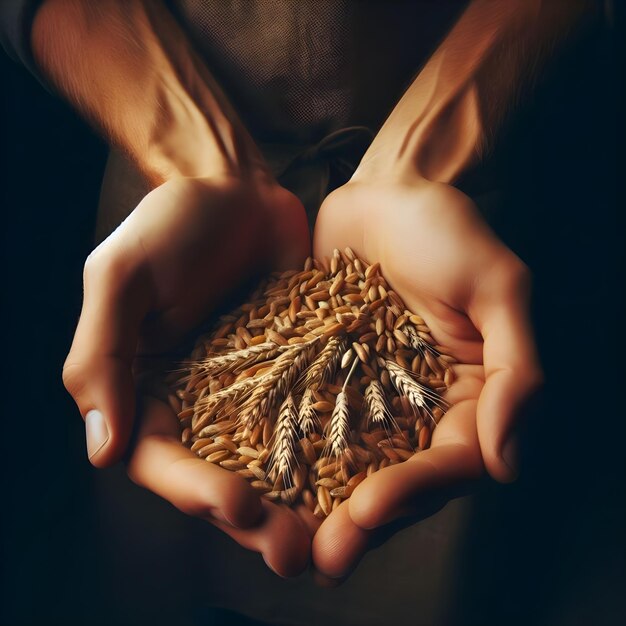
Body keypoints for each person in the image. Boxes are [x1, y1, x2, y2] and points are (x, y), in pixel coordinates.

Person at [1, 0, 593, 594]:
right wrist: (200, 165)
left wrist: (424, 152)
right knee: (163, 575)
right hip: (177, 230)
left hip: (463, 207)